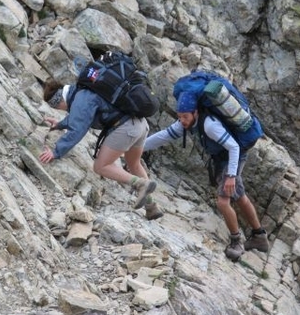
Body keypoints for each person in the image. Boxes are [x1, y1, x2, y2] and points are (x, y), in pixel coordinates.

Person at [143, 89, 269, 260]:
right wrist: (138, 147)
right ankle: (259, 237)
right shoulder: (187, 121)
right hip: (224, 158)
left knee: (223, 202)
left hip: (232, 158)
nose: (182, 121)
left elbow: (234, 147)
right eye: (179, 117)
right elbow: (165, 136)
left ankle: (236, 242)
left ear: (195, 112)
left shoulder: (210, 125)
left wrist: (231, 175)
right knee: (240, 196)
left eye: (185, 117)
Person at [39, 78, 163, 220]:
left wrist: (56, 152)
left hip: (125, 128)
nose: (60, 109)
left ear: (58, 100)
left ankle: (140, 184)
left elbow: (77, 129)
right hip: (140, 125)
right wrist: (59, 124)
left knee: (101, 166)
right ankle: (152, 207)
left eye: (56, 107)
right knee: (134, 164)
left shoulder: (80, 99)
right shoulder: (83, 92)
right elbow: (77, 117)